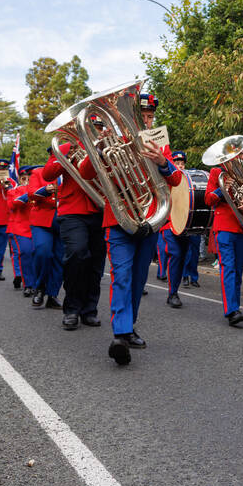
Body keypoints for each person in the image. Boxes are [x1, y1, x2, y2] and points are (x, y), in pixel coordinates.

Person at [82, 129, 182, 366]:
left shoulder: (158, 144)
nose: (145, 120)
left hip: (150, 218)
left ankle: (129, 326)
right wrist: (98, 148)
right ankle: (119, 334)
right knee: (121, 276)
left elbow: (176, 179)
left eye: (148, 116)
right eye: (143, 115)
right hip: (119, 219)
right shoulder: (111, 143)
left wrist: (162, 162)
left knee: (138, 279)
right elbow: (86, 172)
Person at [42, 135, 105, 332]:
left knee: (96, 262)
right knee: (77, 255)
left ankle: (89, 310)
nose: (96, 131)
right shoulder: (67, 147)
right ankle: (72, 309)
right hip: (72, 211)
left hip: (101, 209)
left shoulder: (108, 144)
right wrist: (67, 155)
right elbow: (48, 173)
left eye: (99, 127)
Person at [205, 142, 243, 327]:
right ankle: (231, 310)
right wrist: (222, 189)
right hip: (224, 225)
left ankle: (234, 306)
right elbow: (208, 199)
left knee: (238, 269)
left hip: (242, 225)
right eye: (237, 154)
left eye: (242, 155)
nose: (240, 158)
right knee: (228, 267)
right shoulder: (217, 173)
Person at [157, 150, 193, 308]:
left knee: (183, 256)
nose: (179, 165)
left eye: (181, 163)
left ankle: (174, 290)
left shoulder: (187, 178)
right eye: (176, 162)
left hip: (184, 222)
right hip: (168, 222)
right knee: (176, 254)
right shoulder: (163, 174)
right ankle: (173, 293)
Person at [27, 157, 63, 310]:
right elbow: (31, 193)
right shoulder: (38, 172)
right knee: (43, 252)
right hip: (42, 219)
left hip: (65, 220)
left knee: (60, 259)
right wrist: (44, 191)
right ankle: (40, 287)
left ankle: (52, 294)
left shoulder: (72, 171)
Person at [6, 166, 34, 292]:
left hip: (38, 226)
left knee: (40, 254)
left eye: (29, 177)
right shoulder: (13, 191)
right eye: (24, 178)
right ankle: (25, 280)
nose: (26, 180)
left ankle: (36, 281)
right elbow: (12, 205)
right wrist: (28, 190)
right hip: (20, 227)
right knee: (22, 253)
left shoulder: (40, 188)